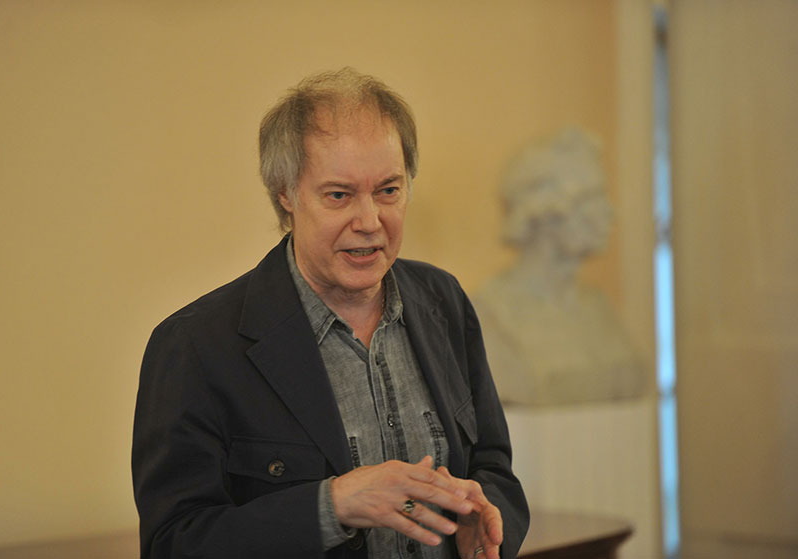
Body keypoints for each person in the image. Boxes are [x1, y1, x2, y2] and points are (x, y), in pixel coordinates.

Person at [132, 68, 529, 559]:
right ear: (286, 194)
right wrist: (332, 505)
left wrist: (485, 524)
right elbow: (174, 542)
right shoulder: (196, 346)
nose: (370, 221)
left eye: (388, 190)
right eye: (339, 195)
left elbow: (493, 467)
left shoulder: (443, 300)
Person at [473, 128, 645, 405]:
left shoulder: (599, 308)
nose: (609, 211)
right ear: (542, 211)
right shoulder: (490, 317)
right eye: (591, 197)